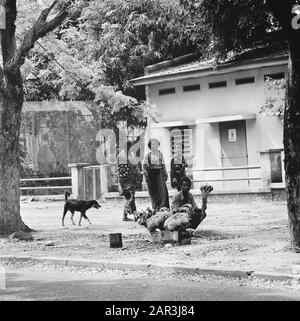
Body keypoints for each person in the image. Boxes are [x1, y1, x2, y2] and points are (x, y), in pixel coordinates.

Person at [117, 141, 142, 221]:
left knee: (131, 198)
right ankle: (125, 216)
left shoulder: (128, 155)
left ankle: (135, 214)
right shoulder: (122, 156)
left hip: (130, 181)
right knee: (129, 198)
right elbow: (122, 171)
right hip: (126, 181)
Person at [143, 138, 170, 210]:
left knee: (163, 192)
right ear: (150, 145)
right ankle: (156, 208)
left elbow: (163, 164)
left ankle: (164, 208)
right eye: (152, 144)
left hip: (159, 174)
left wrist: (165, 173)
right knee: (154, 193)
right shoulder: (148, 155)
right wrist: (146, 175)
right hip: (151, 176)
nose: (154, 145)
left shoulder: (160, 154)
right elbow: (144, 166)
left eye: (156, 144)